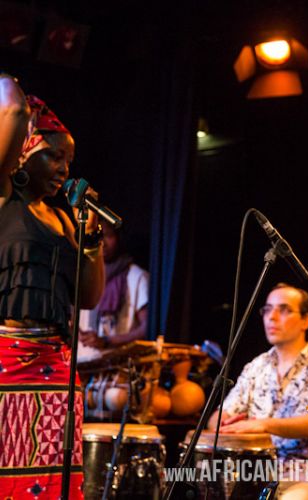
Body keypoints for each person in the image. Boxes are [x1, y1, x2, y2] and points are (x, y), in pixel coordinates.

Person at [0, 74, 105, 498]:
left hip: (56, 365)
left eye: (69, 161)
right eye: (55, 156)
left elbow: (89, 297)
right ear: (24, 153)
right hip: (7, 360)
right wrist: (8, 83)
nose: (64, 168)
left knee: (51, 480)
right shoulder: (3, 198)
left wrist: (91, 239)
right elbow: (13, 108)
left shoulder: (65, 219)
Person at [208, 283, 308, 499]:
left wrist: (262, 424)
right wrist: (226, 424)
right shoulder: (256, 366)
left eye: (284, 310)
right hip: (254, 472)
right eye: (267, 309)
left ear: (306, 320)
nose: (271, 317)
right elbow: (217, 418)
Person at [78, 219, 149, 354]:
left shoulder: (137, 277)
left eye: (108, 236)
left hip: (118, 362)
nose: (102, 243)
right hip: (83, 362)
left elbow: (147, 327)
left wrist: (107, 341)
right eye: (97, 237)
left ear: (119, 238)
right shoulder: (83, 275)